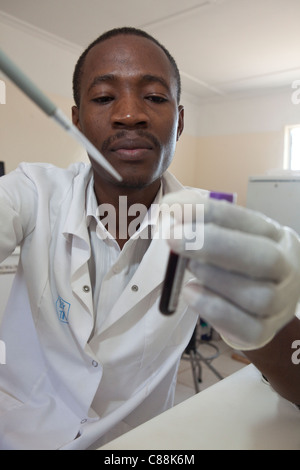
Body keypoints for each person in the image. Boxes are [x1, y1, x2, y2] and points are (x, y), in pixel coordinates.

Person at [0, 26, 299, 451]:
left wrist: (269, 322)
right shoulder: (33, 191)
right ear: (77, 121)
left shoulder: (204, 219)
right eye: (104, 97)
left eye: (155, 97)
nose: (129, 114)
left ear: (179, 123)